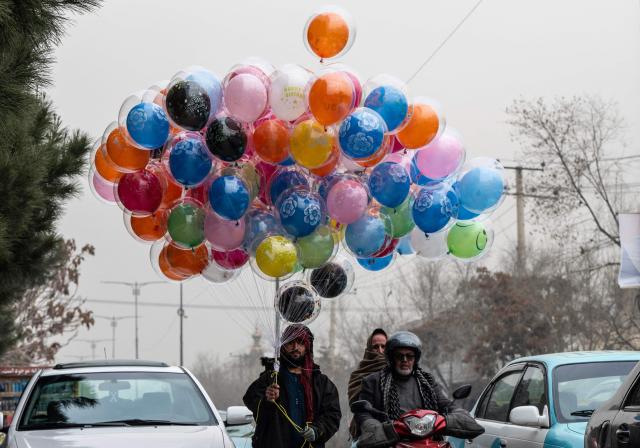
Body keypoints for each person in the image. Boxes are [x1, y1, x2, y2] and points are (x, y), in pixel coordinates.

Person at [243, 324, 341, 448]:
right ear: (283, 347)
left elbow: (332, 415)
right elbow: (251, 400)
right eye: (290, 343)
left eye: (300, 342)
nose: (295, 347)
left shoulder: (321, 383)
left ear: (307, 347)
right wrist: (267, 401)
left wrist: (317, 430)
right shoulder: (271, 378)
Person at [347, 328, 387, 437]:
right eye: (375, 347)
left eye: (384, 346)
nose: (380, 350)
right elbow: (355, 403)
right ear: (369, 349)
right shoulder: (358, 374)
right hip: (365, 428)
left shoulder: (396, 371)